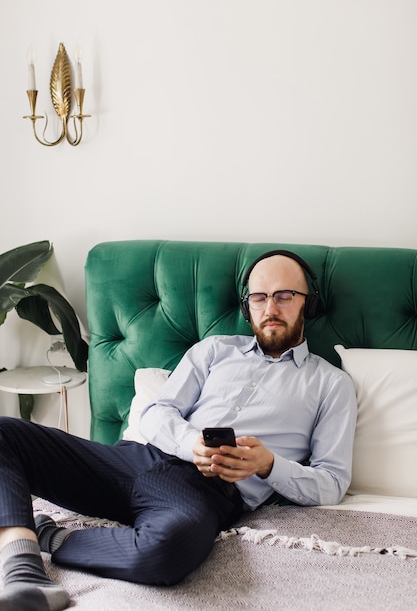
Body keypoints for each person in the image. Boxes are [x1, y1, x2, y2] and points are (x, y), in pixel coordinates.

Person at [0, 251, 357, 611]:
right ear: (247, 306)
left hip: (203, 492)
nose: (270, 308)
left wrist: (267, 465)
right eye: (259, 297)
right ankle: (20, 563)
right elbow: (157, 412)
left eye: (284, 296)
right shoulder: (215, 350)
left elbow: (332, 482)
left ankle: (49, 536)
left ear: (308, 304)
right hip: (135, 459)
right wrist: (191, 442)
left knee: (166, 552)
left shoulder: (331, 383)